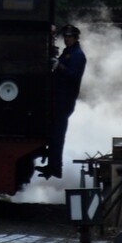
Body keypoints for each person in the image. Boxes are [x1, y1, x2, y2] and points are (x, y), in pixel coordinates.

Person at [43, 24, 86, 179]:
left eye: (69, 36)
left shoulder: (77, 55)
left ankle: (56, 167)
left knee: (58, 134)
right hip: (58, 97)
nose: (66, 39)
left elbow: (74, 76)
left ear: (75, 38)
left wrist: (58, 66)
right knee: (55, 133)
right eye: (65, 36)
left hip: (65, 99)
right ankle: (52, 165)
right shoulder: (68, 52)